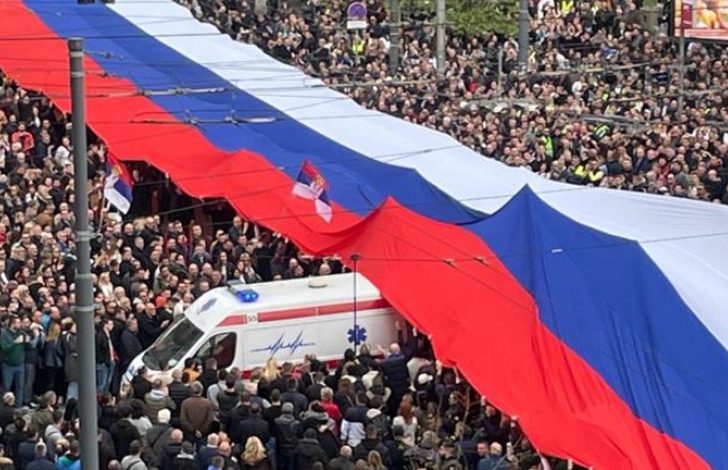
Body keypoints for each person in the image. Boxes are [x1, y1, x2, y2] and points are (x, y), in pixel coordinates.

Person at [1, 315, 27, 405]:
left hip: (20, 364)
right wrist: (15, 343)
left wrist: (28, 341)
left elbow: (29, 346)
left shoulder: (21, 333)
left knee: (20, 386)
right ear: (12, 324)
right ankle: (4, 406)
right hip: (8, 365)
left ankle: (18, 406)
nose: (20, 324)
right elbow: (4, 348)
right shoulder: (5, 335)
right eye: (18, 322)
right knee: (7, 387)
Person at [274, 402, 301, 470]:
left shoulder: (276, 422)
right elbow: (299, 435)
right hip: (292, 449)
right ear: (292, 411)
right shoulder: (296, 424)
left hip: (280, 448)